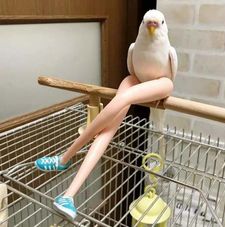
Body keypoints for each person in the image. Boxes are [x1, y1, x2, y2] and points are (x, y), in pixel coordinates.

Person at [35, 9, 177, 220]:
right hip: (134, 80)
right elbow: (133, 71)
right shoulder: (134, 49)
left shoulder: (170, 52)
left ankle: (64, 158)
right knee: (107, 131)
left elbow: (167, 80)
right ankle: (68, 196)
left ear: (164, 26)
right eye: (147, 23)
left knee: (122, 99)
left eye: (158, 23)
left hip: (162, 84)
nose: (151, 27)